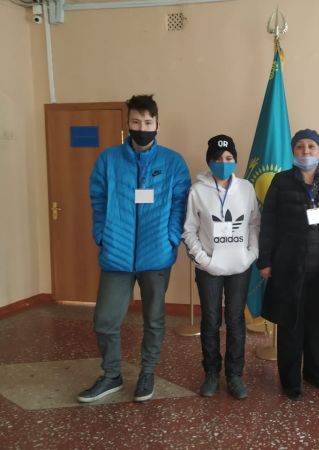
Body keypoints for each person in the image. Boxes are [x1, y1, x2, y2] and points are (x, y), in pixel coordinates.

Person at [78, 94, 191, 403]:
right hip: (116, 254)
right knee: (105, 320)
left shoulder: (173, 162)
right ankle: (111, 374)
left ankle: (147, 373)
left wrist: (171, 237)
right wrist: (101, 234)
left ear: (157, 125)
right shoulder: (108, 160)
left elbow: (180, 203)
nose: (142, 128)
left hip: (157, 255)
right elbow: (97, 198)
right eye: (136, 122)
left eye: (148, 122)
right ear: (127, 123)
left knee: (154, 320)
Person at [258, 129, 319, 401]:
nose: (306, 151)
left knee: (316, 325)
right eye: (300, 146)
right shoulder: (281, 181)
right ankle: (290, 378)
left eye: (311, 146)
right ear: (293, 151)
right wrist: (264, 260)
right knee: (290, 324)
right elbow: (269, 224)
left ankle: (313, 371)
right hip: (289, 266)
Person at [182, 135, 260, 400]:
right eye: (217, 159)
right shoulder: (197, 191)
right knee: (211, 319)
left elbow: (254, 224)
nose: (223, 163)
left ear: (235, 160)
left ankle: (235, 375)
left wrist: (251, 254)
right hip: (209, 270)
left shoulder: (246, 188)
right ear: (209, 161)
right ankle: (212, 374)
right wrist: (203, 260)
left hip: (240, 267)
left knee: (236, 320)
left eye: (228, 158)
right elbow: (189, 230)